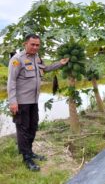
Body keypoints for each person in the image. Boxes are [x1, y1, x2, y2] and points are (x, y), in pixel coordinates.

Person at [7, 34, 69, 171]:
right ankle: (27, 158)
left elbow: (45, 69)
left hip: (33, 100)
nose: (35, 47)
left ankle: (29, 151)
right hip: (21, 102)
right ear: (25, 44)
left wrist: (60, 63)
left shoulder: (37, 58)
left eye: (37, 45)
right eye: (32, 44)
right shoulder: (17, 60)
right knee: (23, 130)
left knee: (33, 127)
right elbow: (11, 81)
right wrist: (12, 102)